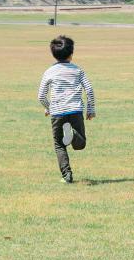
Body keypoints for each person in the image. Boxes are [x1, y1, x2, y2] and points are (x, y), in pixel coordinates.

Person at [36, 34, 95, 184]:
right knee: (80, 145)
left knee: (59, 145)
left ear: (53, 54)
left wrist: (48, 107)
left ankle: (67, 175)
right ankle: (73, 134)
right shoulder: (78, 70)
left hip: (57, 113)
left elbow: (41, 96)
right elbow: (89, 89)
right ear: (71, 53)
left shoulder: (49, 71)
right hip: (75, 111)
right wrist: (91, 109)